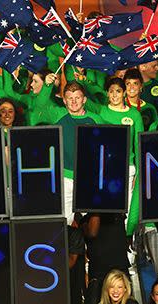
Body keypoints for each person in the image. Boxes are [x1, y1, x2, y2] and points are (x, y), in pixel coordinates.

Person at [34, 76, 104, 223]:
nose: (73, 101)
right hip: (65, 177)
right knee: (63, 220)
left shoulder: (96, 119)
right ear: (64, 100)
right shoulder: (58, 114)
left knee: (91, 221)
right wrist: (47, 85)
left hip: (88, 178)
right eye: (70, 98)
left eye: (77, 98)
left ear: (84, 99)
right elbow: (40, 106)